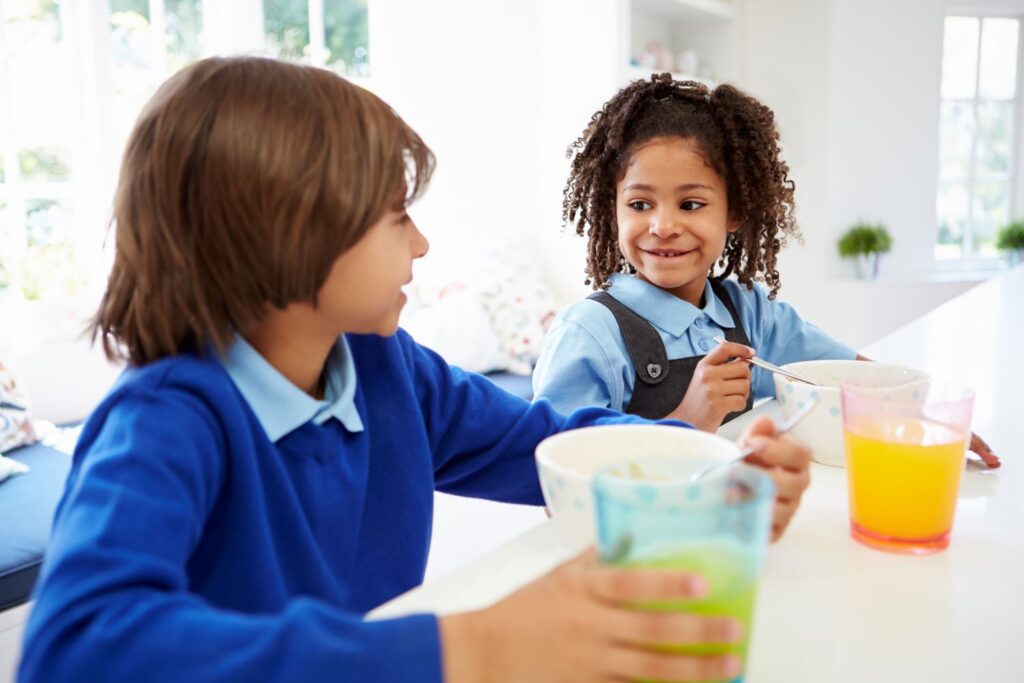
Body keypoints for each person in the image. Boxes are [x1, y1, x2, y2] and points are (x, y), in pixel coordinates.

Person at [18, 58, 813, 683]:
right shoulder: (166, 419)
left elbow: (551, 444)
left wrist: (711, 472)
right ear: (291, 235)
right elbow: (74, 650)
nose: (422, 244)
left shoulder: (383, 367)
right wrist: (469, 648)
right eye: (398, 215)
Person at [533, 73, 999, 467]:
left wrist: (925, 415)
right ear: (612, 210)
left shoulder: (748, 315)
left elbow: (843, 377)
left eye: (691, 204)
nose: (663, 226)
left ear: (734, 212)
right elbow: (558, 474)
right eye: (640, 203)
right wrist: (688, 420)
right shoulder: (590, 334)